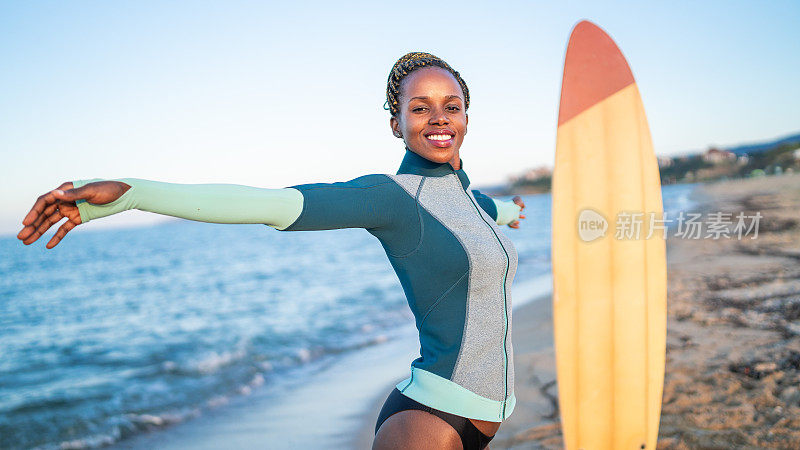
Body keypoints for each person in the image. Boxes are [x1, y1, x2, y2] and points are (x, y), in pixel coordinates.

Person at [17, 52, 526, 450]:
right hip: (430, 422)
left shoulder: (470, 199)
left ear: (466, 115)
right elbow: (266, 204)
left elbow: (481, 211)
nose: (438, 118)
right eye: (420, 108)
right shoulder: (390, 198)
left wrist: (510, 209)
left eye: (450, 105)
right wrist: (129, 193)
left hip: (483, 416)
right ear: (397, 123)